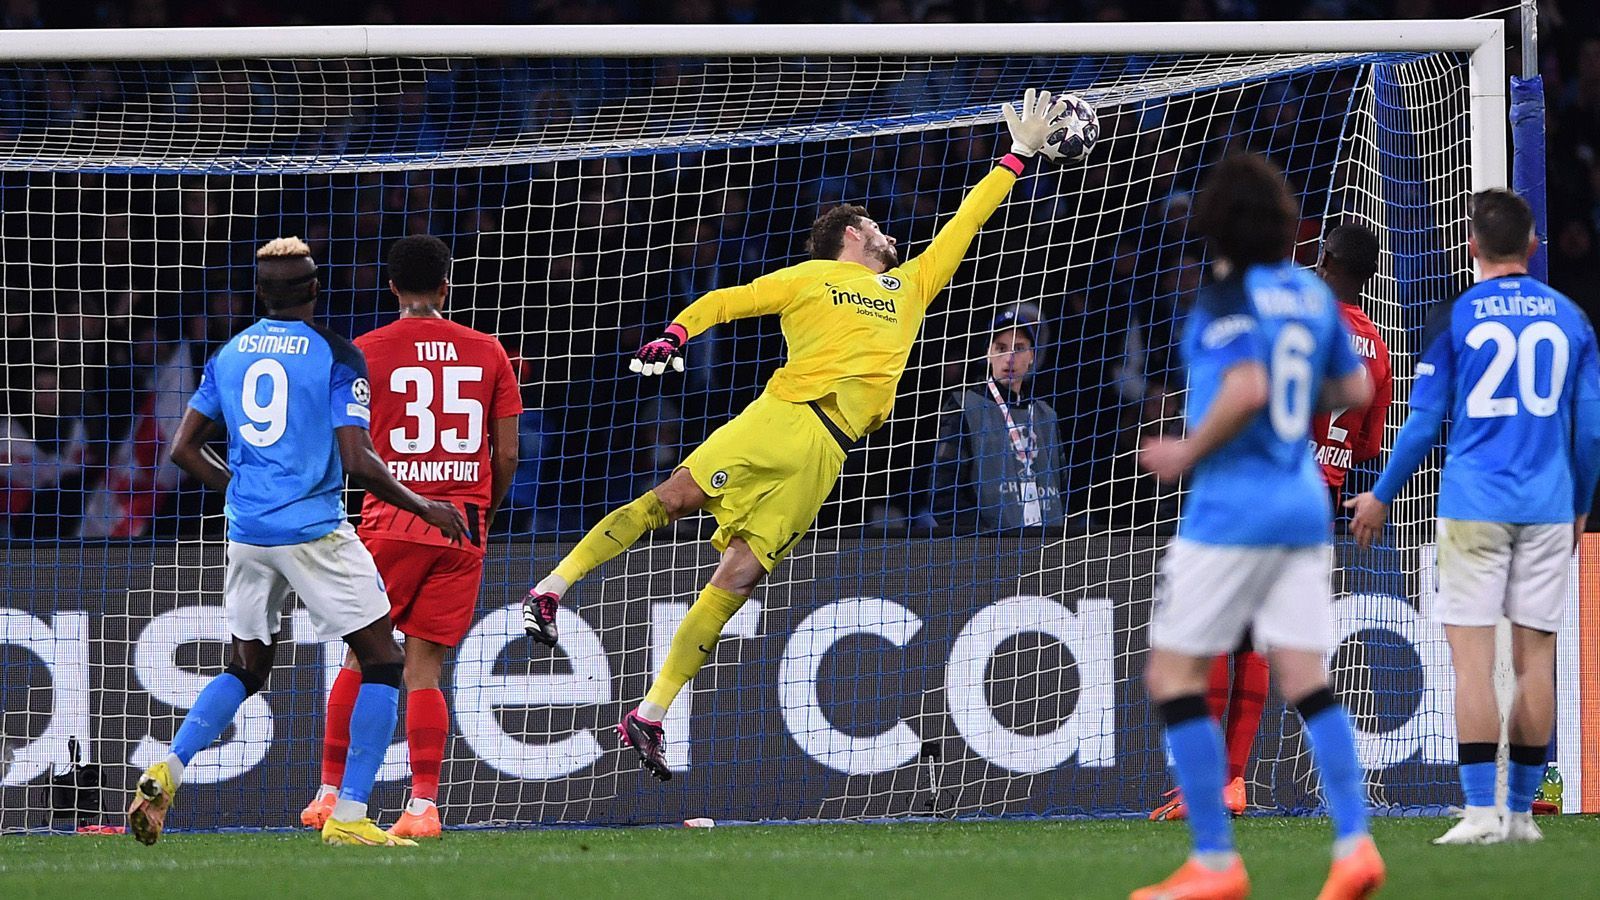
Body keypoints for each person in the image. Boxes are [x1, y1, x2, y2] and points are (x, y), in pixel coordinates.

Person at [521, 89, 1071, 781]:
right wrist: (676, 332)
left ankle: (650, 714)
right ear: (852, 234)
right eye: (876, 228)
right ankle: (551, 587)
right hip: (783, 416)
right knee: (672, 498)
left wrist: (1015, 158)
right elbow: (729, 299)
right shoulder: (812, 276)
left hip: (828, 453)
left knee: (741, 575)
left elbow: (966, 223)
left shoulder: (909, 287)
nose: (889, 236)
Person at [130, 237, 465, 848]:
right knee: (385, 660)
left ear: (261, 293)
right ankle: (352, 814)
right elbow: (359, 461)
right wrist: (427, 508)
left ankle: (167, 768)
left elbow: (182, 449)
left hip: (247, 533)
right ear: (315, 288)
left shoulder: (228, 355)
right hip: (314, 531)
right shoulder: (336, 356)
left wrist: (242, 492)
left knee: (246, 666)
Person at [1134, 153, 1382, 900]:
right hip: (1306, 500)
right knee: (1306, 677)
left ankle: (1214, 859)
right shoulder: (1311, 298)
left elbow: (1244, 385)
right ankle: (1355, 845)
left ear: (1216, 224)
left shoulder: (1222, 295)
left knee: (1172, 673)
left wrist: (1186, 449)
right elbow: (1355, 387)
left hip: (1233, 505)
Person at [1347, 188, 1600, 846]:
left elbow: (1426, 420)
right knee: (1534, 662)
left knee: (1471, 664)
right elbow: (1591, 434)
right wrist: (1578, 506)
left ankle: (1479, 813)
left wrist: (1381, 496)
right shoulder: (1572, 318)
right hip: (1547, 508)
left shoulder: (1456, 315)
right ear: (1534, 245)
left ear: (1471, 248)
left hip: (1473, 507)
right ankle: (1520, 813)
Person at [299, 235, 521, 839]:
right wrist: (483, 511)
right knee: (425, 670)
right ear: (448, 284)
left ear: (391, 286)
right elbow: (507, 455)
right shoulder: (489, 351)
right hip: (462, 525)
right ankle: (423, 806)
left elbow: (339, 445)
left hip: (391, 522)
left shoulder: (364, 351)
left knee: (362, 655)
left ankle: (329, 794)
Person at [927, 303, 1067, 532]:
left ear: (1032, 355)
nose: (1009, 358)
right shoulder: (964, 406)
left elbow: (1062, 487)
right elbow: (942, 494)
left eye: (1019, 348)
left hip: (1045, 550)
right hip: (990, 555)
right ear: (988, 353)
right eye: (1001, 348)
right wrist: (983, 542)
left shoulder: (1046, 415)